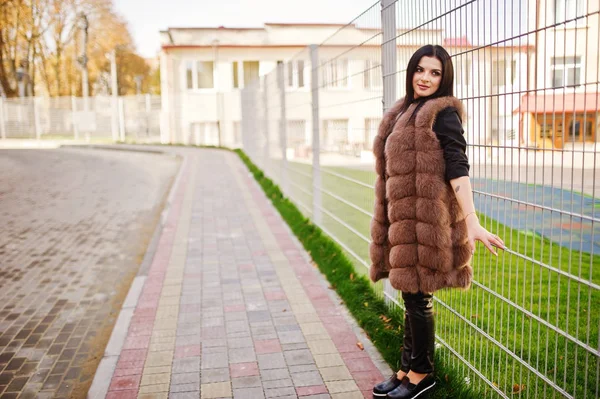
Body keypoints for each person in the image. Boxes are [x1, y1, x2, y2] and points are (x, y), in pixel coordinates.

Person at [369, 45, 505, 399]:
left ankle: (421, 373)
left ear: (444, 79)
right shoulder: (403, 110)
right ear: (411, 71)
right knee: (409, 294)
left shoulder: (442, 114)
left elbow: (457, 167)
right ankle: (404, 367)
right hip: (402, 222)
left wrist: (472, 221)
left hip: (427, 225)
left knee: (419, 298)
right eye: (421, 70)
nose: (425, 78)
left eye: (435, 73)